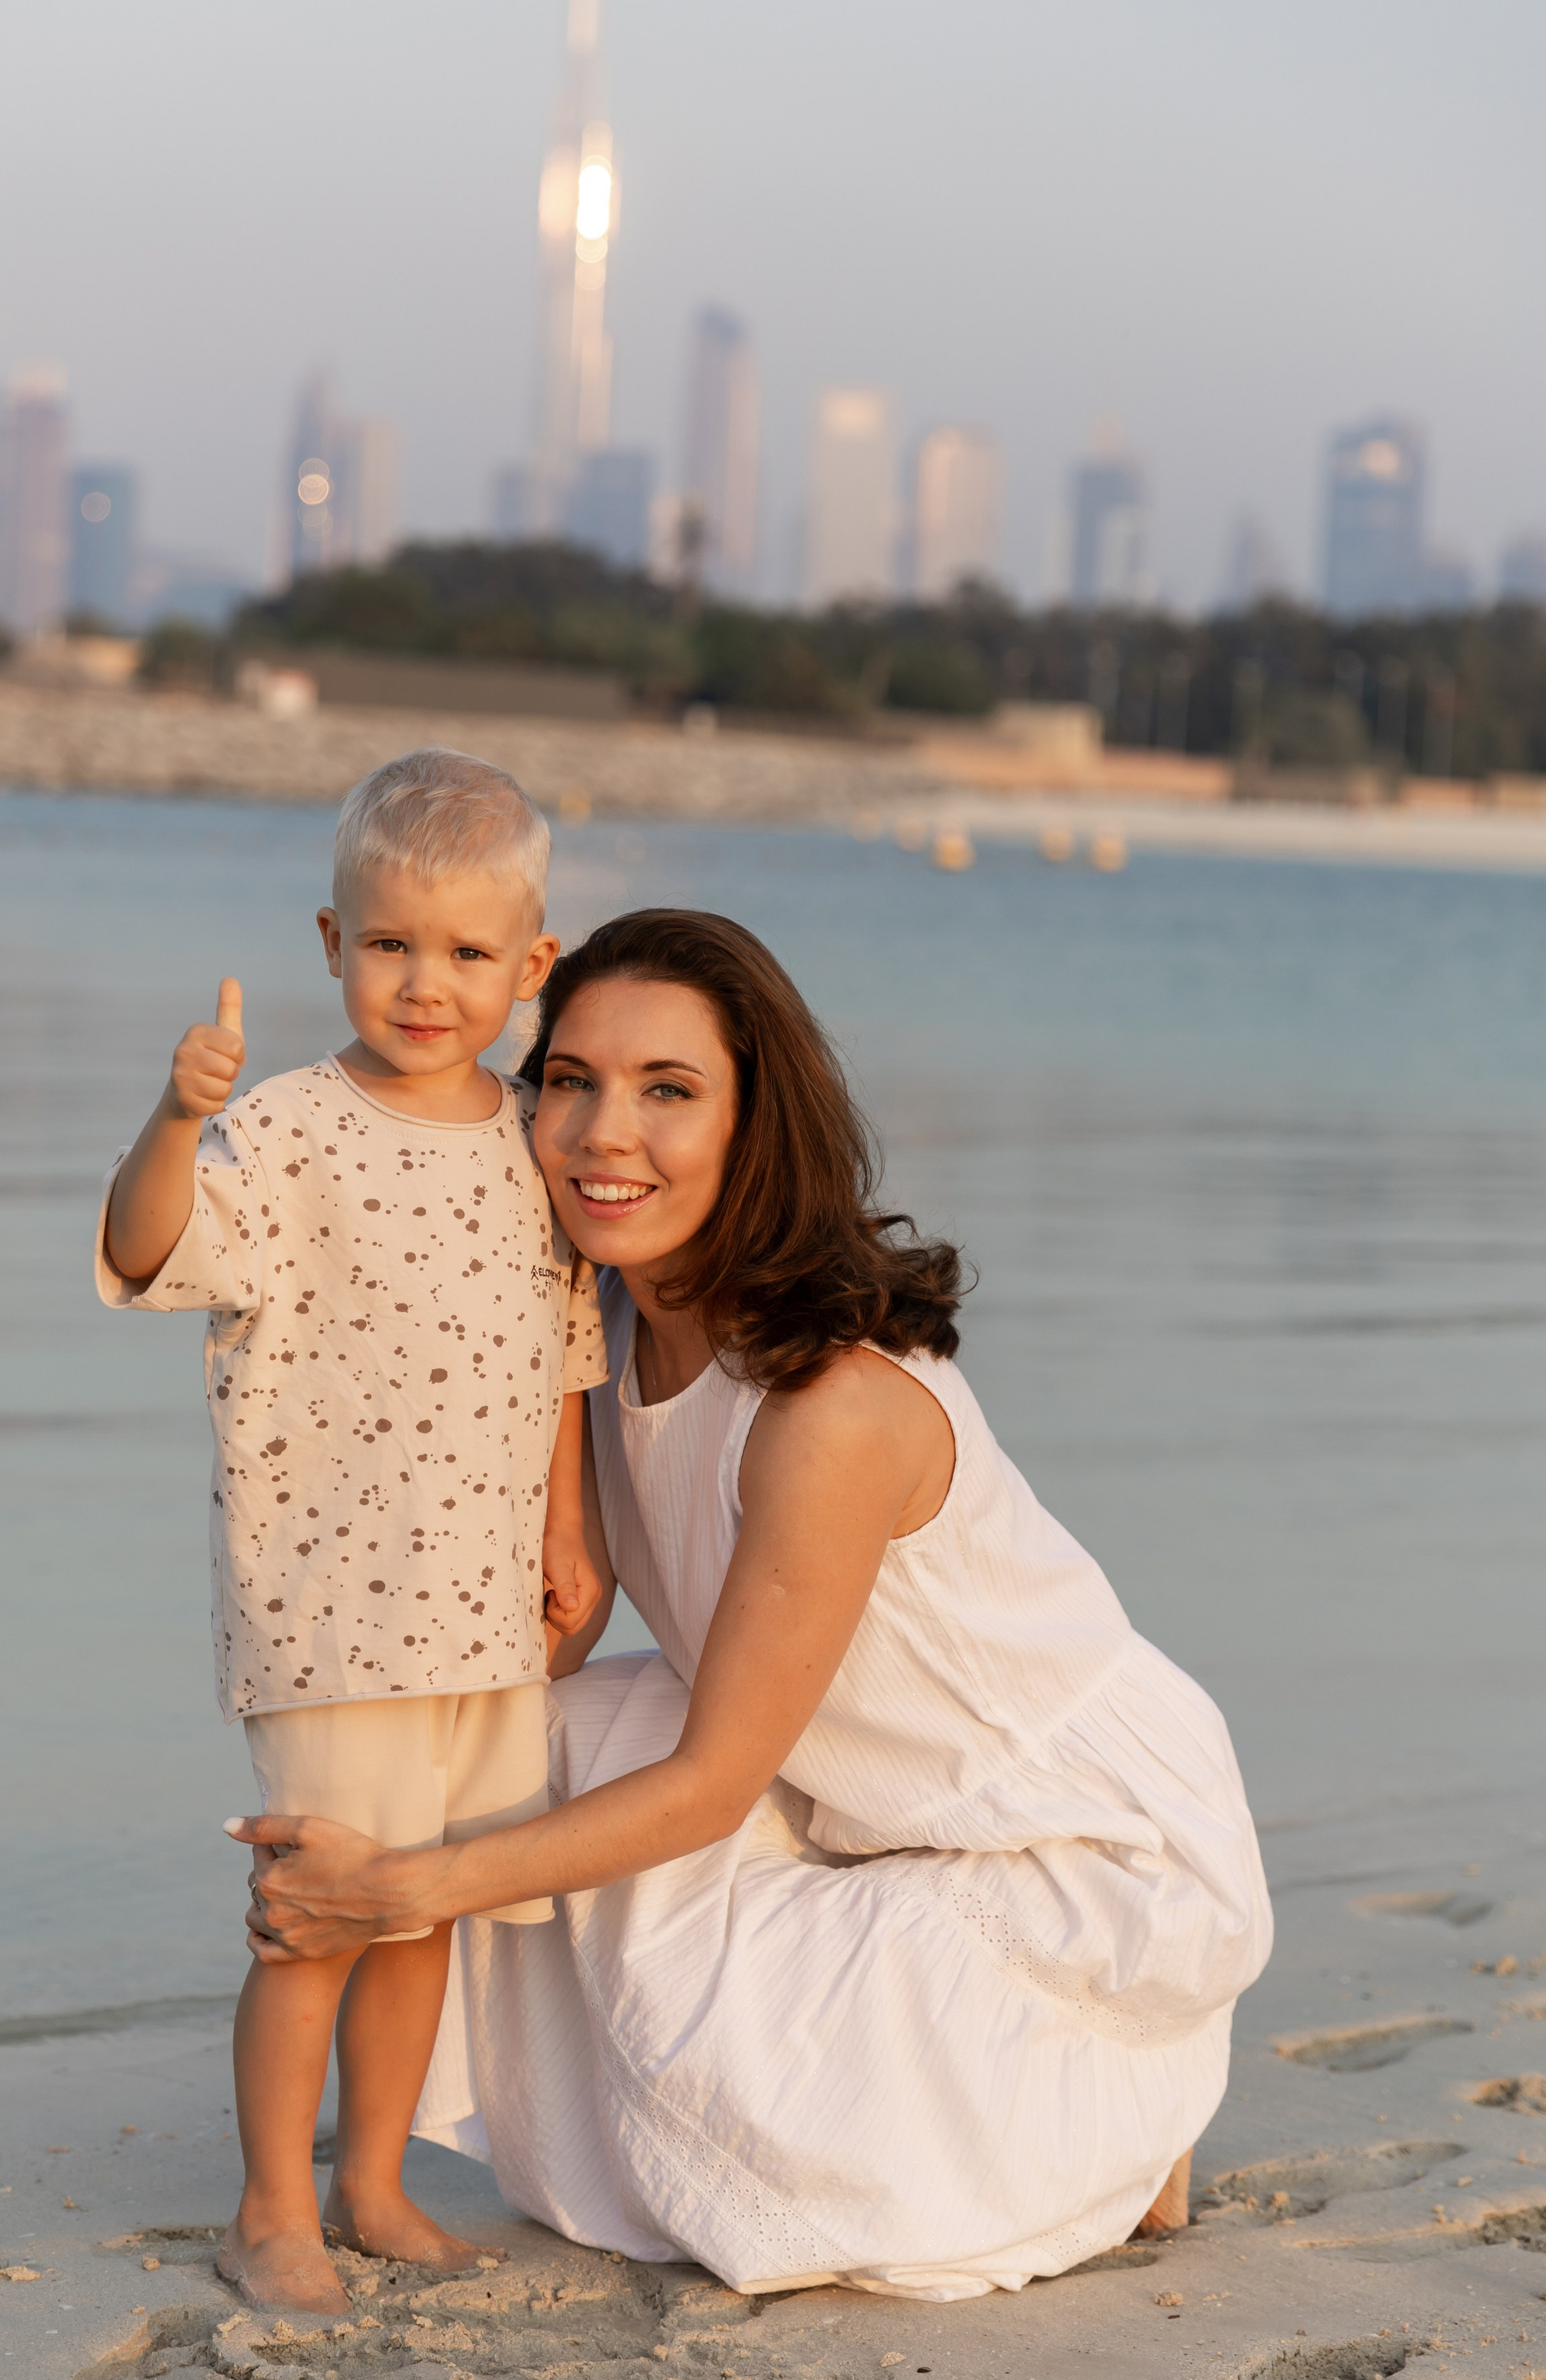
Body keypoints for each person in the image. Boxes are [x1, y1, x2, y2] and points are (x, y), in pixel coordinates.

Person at [229, 908, 1274, 2302]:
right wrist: (366, 1742)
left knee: (767, 2122)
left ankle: (1111, 2119)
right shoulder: (594, 1327)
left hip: (1079, 1848)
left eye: (668, 1090)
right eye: (570, 1080)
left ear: (752, 1126)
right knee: (519, 1755)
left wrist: (398, 1890)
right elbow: (548, 1631)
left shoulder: (827, 1411)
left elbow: (710, 1785)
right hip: (851, 1796)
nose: (605, 1133)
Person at [98, 748, 608, 2316]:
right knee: (317, 1921)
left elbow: (561, 1351)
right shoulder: (285, 1129)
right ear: (333, 944)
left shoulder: (536, 1144)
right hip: (330, 1611)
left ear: (530, 966)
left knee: (422, 1911)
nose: (425, 984)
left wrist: (571, 1533)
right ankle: (270, 2210)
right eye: (389, 944)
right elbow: (150, 1251)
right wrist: (173, 1120)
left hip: (483, 1611)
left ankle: (372, 2185)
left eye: (466, 953)